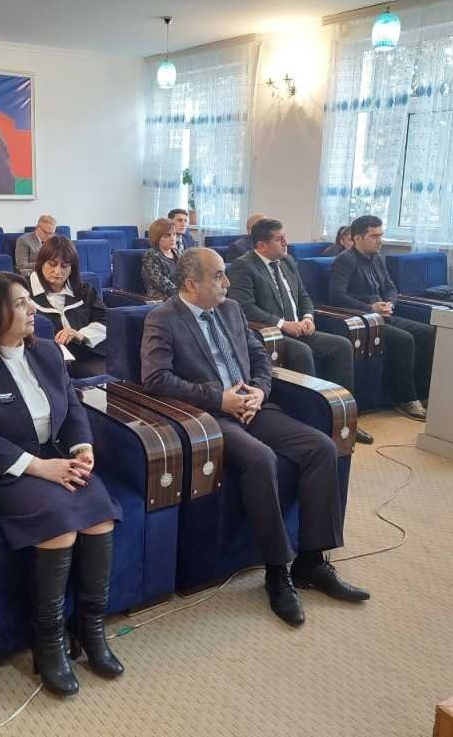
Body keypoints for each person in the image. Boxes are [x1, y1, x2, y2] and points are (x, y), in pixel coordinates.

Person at [141, 248, 369, 627]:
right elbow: (156, 379)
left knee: (320, 447)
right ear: (191, 284)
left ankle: (311, 562)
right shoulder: (162, 318)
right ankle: (277, 571)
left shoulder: (231, 310)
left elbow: (260, 357)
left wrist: (260, 391)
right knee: (260, 458)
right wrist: (220, 398)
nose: (227, 283)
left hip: (253, 407)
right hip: (210, 419)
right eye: (218, 276)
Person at [0, 272, 123, 697]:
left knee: (100, 517)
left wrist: (82, 447)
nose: (32, 310)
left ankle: (91, 628)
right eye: (21, 303)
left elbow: (73, 404)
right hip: (9, 471)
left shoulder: (46, 351)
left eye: (29, 300)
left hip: (58, 457)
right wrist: (39, 468)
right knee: (60, 526)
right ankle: (49, 642)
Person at [227, 218, 373, 444]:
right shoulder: (243, 266)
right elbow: (245, 307)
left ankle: (344, 418)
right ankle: (313, 423)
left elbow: (303, 296)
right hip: (270, 334)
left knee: (342, 345)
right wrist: (282, 324)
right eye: (280, 239)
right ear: (262, 246)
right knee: (302, 352)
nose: (286, 242)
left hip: (299, 327)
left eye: (285, 237)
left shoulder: (287, 262)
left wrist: (308, 317)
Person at [329, 216, 435, 421]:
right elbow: (337, 296)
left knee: (430, 333)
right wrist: (370, 308)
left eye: (381, 235)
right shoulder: (345, 260)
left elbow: (390, 287)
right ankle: (406, 399)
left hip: (384, 314)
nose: (380, 241)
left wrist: (390, 304)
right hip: (363, 320)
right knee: (405, 339)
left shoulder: (377, 258)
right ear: (358, 238)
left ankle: (423, 394)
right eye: (374, 236)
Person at [29, 236, 107, 378]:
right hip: (45, 360)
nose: (57, 271)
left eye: (64, 266)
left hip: (85, 356)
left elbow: (105, 320)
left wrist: (81, 335)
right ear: (41, 264)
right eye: (52, 264)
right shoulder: (24, 292)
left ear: (72, 269)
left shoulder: (84, 290)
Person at [141, 218, 180, 300]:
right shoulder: (151, 254)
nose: (172, 238)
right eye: (167, 236)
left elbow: (186, 273)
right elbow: (159, 281)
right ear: (157, 238)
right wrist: (182, 293)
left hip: (178, 295)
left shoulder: (177, 252)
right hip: (161, 298)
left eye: (174, 234)